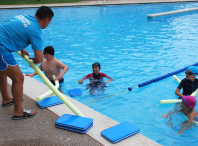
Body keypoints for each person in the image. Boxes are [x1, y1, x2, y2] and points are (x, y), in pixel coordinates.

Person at [0, 6, 54, 120]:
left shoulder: (25, 17)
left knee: (3, 71)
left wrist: (19, 47)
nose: (48, 24)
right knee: (18, 78)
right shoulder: (36, 31)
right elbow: (39, 58)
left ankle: (6, 99)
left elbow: (11, 32)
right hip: (1, 49)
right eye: (50, 22)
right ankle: (18, 112)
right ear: (46, 20)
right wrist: (34, 61)